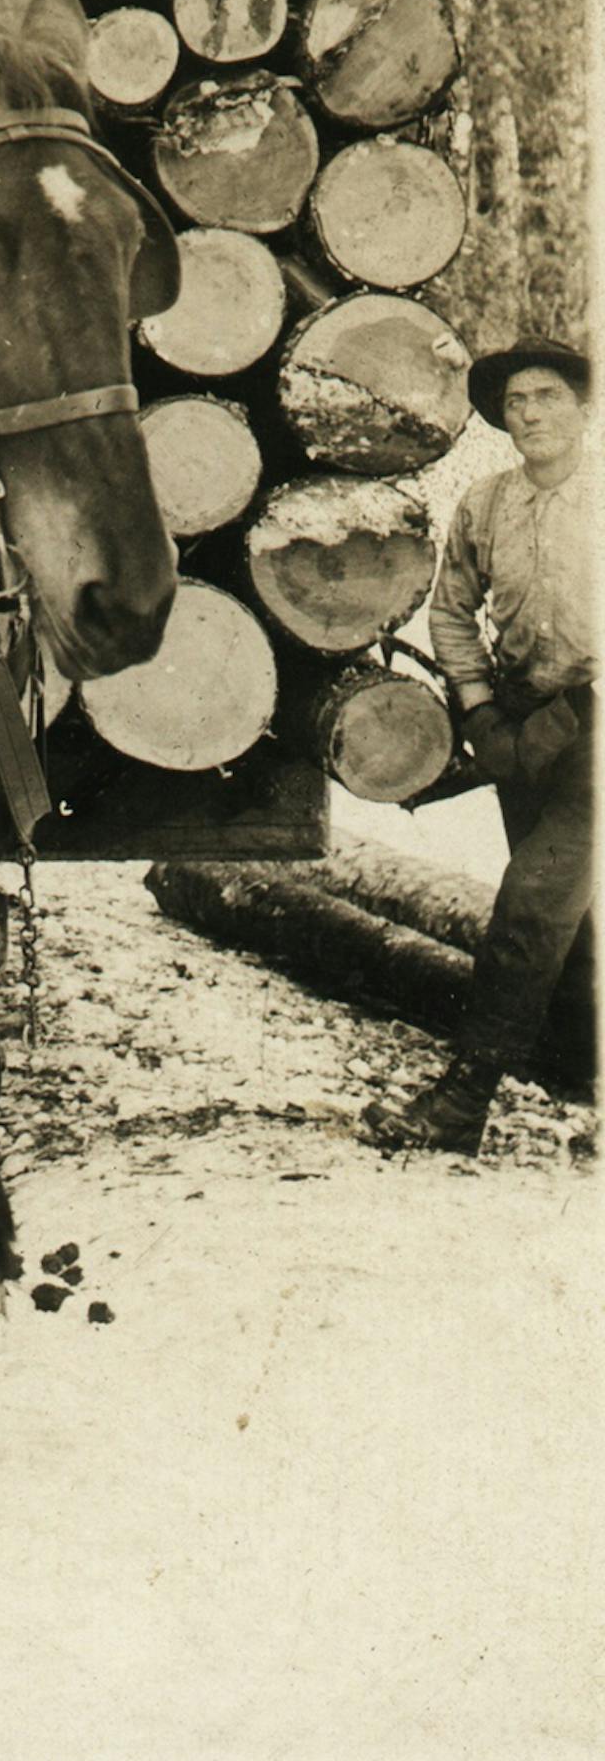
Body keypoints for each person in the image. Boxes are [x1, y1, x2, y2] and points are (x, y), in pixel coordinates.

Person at [366, 338, 594, 1155]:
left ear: (582, 407)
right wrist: (481, 712)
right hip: (520, 726)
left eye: (548, 397)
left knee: (533, 899)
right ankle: (582, 1070)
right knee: (571, 913)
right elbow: (453, 611)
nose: (530, 413)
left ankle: (464, 1100)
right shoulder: (486, 505)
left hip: (595, 728)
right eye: (516, 403)